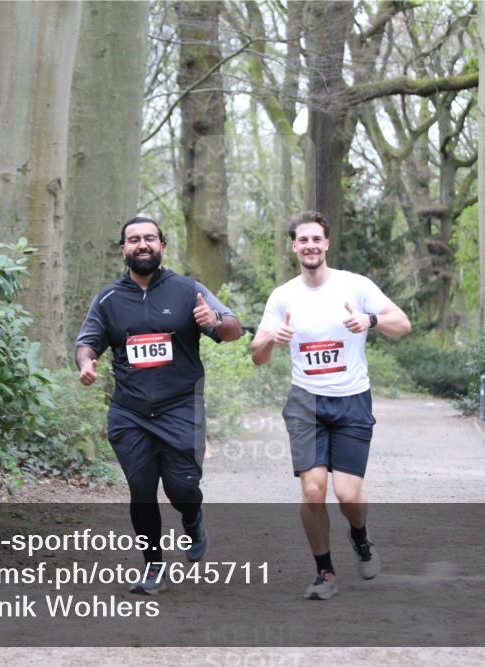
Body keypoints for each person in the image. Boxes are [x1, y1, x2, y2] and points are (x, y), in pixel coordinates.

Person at [76, 216, 243, 595]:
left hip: (181, 406)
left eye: (149, 238)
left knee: (183, 487)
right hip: (130, 412)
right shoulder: (108, 299)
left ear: (162, 246)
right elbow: (87, 342)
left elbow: (233, 329)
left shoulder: (188, 290)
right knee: (141, 488)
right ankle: (153, 566)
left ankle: (192, 516)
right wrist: (86, 363)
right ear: (124, 249)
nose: (142, 244)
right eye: (134, 239)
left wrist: (213, 319)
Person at [250, 210, 411, 600]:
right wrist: (271, 337)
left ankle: (360, 537)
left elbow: (402, 324)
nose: (309, 246)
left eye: (315, 239)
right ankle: (325, 572)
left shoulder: (354, 286)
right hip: (305, 403)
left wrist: (370, 320)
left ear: (326, 243)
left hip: (352, 399)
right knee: (313, 489)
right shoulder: (283, 295)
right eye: (302, 240)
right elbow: (257, 355)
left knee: (348, 494)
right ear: (294, 246)